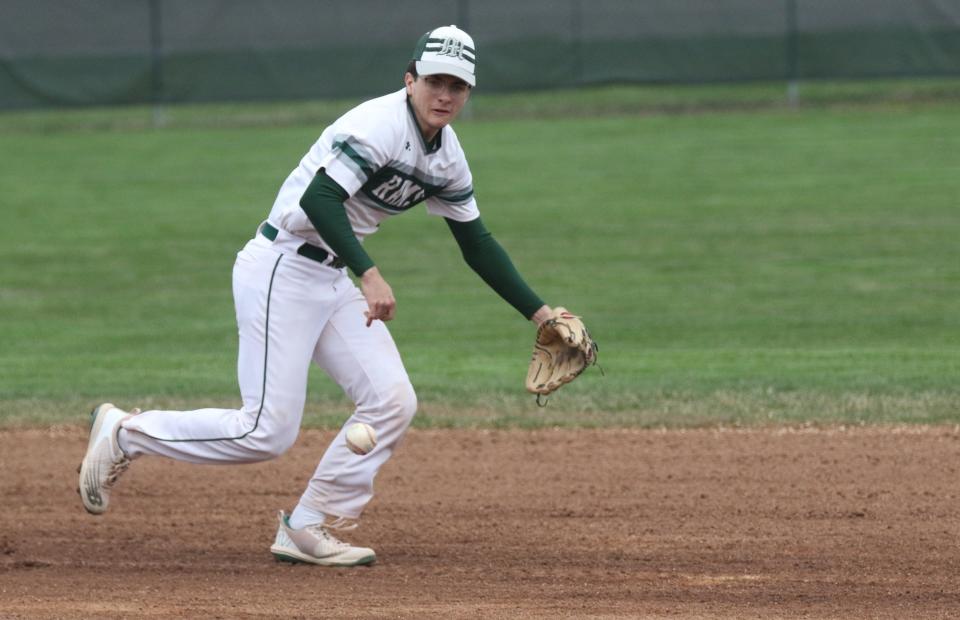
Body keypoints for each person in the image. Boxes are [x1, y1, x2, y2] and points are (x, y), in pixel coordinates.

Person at [78, 25, 557, 567]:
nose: (445, 95)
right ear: (410, 79)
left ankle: (308, 526)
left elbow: (476, 242)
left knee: (392, 402)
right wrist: (370, 273)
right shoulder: (379, 124)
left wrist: (541, 314)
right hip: (281, 268)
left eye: (458, 86)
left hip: (329, 279)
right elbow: (321, 199)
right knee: (265, 432)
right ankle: (125, 432)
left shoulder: (446, 156)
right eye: (434, 81)